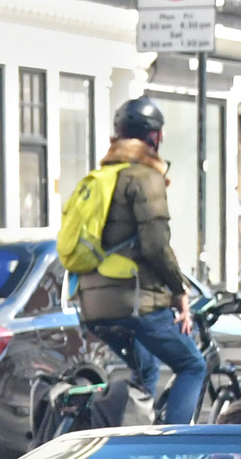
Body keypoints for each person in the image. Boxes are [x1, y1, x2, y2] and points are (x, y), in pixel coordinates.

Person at [76, 98, 205, 425]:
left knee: (145, 370)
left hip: (93, 303)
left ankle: (131, 438)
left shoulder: (99, 179)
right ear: (155, 138)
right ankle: (174, 451)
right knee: (192, 366)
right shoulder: (144, 178)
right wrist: (179, 290)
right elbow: (157, 246)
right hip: (134, 301)